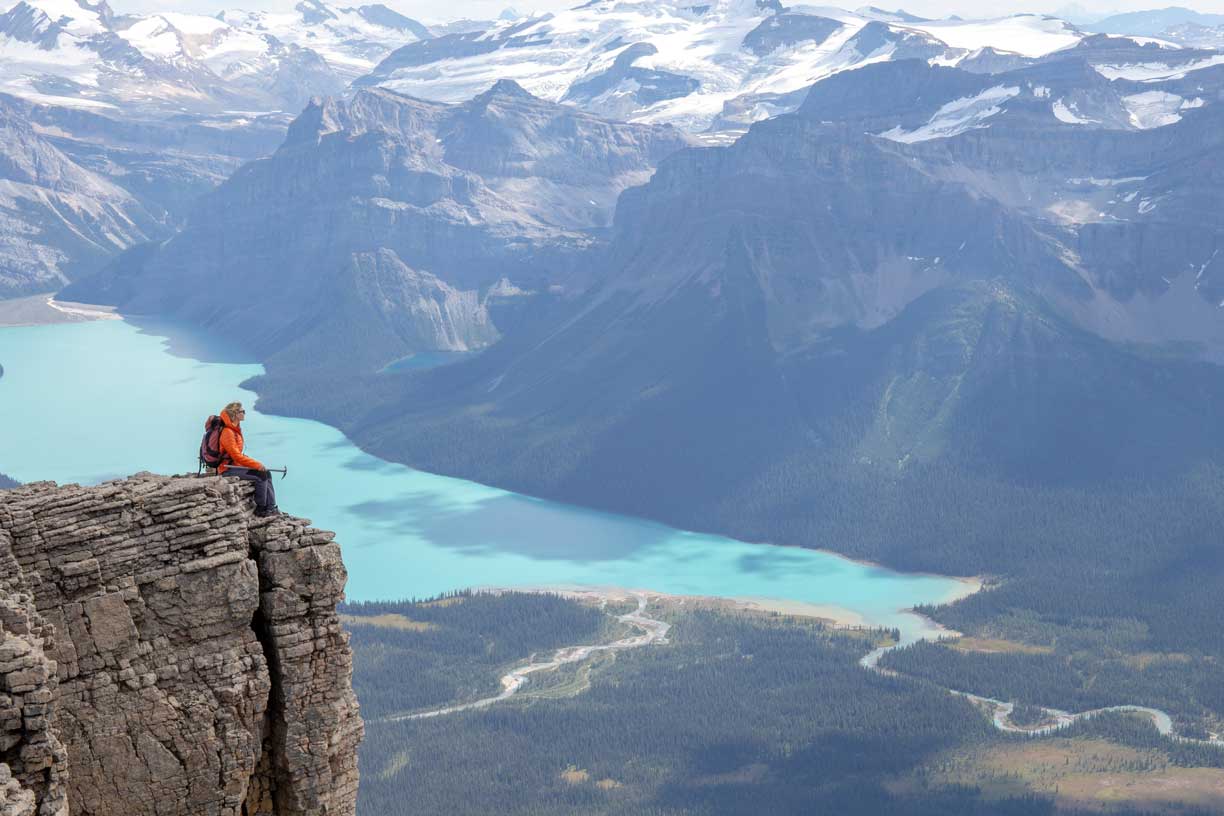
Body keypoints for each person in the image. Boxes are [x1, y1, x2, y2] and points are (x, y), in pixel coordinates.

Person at [217, 401, 280, 517]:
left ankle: (271, 507)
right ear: (235, 414)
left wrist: (255, 465)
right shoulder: (228, 432)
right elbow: (236, 455)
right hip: (227, 469)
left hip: (234, 465)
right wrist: (256, 465)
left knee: (266, 473)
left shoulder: (234, 430)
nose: (244, 413)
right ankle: (261, 508)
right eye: (242, 411)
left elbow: (237, 455)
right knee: (260, 475)